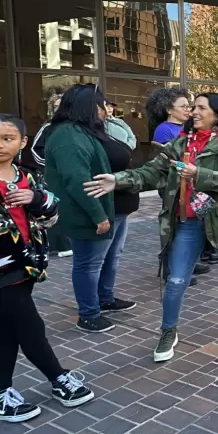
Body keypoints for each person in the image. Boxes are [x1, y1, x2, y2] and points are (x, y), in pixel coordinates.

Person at [85, 93, 218, 362]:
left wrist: (198, 174)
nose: (195, 112)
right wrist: (118, 180)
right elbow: (151, 172)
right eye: (194, 107)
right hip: (188, 222)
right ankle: (168, 331)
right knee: (176, 281)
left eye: (202, 108)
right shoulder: (181, 143)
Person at [0, 115, 95, 423]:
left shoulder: (26, 175)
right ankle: (58, 377)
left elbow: (52, 216)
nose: (1, 145)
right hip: (3, 271)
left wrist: (35, 198)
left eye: (8, 138)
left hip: (27, 264)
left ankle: (2, 392)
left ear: (22, 143)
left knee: (8, 331)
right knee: (30, 327)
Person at [43, 85, 137, 334]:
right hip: (89, 213)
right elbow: (77, 180)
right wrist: (99, 215)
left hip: (112, 208)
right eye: (101, 104)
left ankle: (105, 298)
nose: (106, 109)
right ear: (89, 107)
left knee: (108, 259)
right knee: (88, 264)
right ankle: (89, 314)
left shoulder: (85, 130)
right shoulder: (67, 136)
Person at [147, 89, 211, 278]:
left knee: (189, 223)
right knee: (173, 226)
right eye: (183, 106)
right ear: (169, 109)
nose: (188, 110)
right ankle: (169, 268)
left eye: (188, 106)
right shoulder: (165, 129)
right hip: (173, 185)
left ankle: (188, 261)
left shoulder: (188, 128)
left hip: (189, 183)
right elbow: (171, 159)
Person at [30, 94, 71, 259]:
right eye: (56, 106)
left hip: (72, 176)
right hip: (54, 177)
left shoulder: (75, 127)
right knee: (54, 208)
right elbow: (36, 150)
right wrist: (53, 165)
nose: (59, 109)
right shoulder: (48, 127)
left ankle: (69, 242)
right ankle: (58, 245)